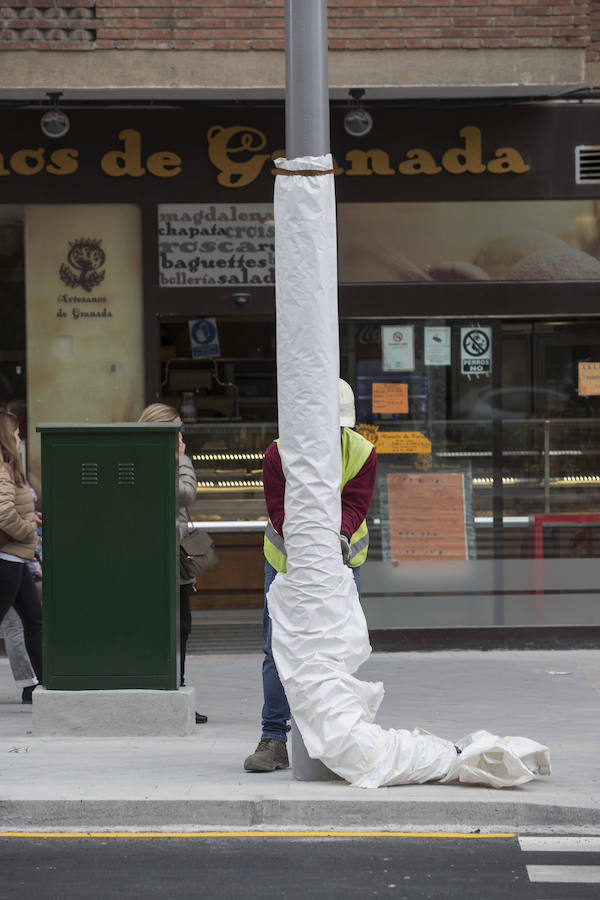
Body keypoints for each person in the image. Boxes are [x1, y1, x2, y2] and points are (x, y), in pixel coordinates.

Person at [244, 379, 377, 773]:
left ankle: (340, 733)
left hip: (342, 561)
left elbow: (355, 504)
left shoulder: (361, 453)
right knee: (277, 647)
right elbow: (278, 509)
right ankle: (273, 737)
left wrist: (337, 537)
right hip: (285, 563)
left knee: (338, 646)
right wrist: (306, 547)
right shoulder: (278, 454)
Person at [138, 402, 207, 725]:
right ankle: (170, 691)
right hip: (164, 555)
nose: (182, 438)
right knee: (174, 625)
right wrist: (180, 459)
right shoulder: (155, 461)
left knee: (181, 625)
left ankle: (176, 688)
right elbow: (185, 493)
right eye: (177, 431)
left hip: (171, 553)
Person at [0, 410, 43, 691]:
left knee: (34, 619)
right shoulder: (2, 469)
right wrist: (29, 529)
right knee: (30, 620)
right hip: (8, 558)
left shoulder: (9, 467)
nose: (20, 438)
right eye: (16, 434)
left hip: (16, 557)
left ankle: (47, 684)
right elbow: (3, 512)